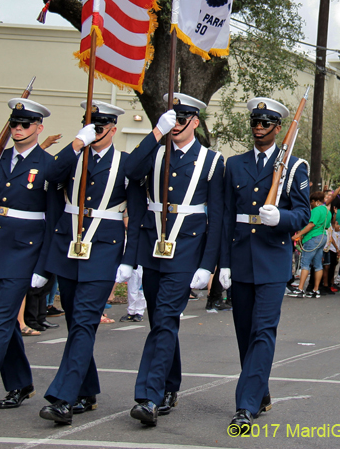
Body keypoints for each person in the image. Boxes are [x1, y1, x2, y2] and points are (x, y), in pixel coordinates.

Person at [0, 98, 76, 420]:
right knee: (0, 320)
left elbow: (53, 218)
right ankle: (20, 383)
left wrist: (43, 266)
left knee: (0, 323)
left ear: (39, 128)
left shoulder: (47, 165)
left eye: (25, 125)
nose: (18, 129)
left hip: (25, 250)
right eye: (14, 124)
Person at [123, 93, 225, 427]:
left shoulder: (211, 161)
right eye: (172, 119)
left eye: (182, 120)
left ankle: (148, 397)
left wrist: (207, 265)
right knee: (162, 321)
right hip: (154, 249)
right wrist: (155, 133)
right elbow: (130, 173)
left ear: (195, 122)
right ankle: (169, 385)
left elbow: (217, 220)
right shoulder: (155, 154)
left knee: (166, 318)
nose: (176, 125)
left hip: (186, 252)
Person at [34, 101, 133, 425]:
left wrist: (129, 259)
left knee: (84, 322)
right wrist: (77, 143)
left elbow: (138, 212)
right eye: (91, 125)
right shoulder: (73, 156)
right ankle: (87, 390)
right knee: (76, 321)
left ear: (113, 129)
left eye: (101, 127)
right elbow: (48, 176)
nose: (96, 131)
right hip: (68, 249)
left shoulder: (125, 163)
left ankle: (63, 397)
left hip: (103, 251)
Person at [223, 97, 310, 432]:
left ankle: (245, 406)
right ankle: (259, 392)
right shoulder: (235, 164)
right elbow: (227, 216)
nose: (258, 129)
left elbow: (302, 213)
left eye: (265, 124)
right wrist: (223, 263)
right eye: (255, 123)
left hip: (272, 258)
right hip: (241, 257)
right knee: (245, 333)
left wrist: (281, 217)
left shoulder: (293, 166)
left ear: (278, 128)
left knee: (263, 331)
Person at [290, 191, 332, 298]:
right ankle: (315, 289)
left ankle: (300, 288)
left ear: (316, 201)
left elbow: (311, 224)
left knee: (305, 262)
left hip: (312, 237)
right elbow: (326, 226)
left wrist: (298, 235)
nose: (311, 204)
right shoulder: (328, 212)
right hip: (323, 236)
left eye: (312, 202)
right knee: (318, 264)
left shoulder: (316, 210)